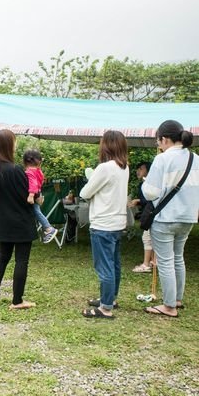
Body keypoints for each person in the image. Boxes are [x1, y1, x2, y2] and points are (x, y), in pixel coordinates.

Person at [142, 120, 198, 318]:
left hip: (166, 218)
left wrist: (144, 184)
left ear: (164, 139)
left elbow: (150, 192)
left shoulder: (163, 159)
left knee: (165, 261)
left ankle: (169, 306)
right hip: (188, 217)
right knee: (178, 258)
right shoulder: (195, 158)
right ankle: (177, 299)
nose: (158, 145)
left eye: (158, 141)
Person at [79, 130, 129, 319]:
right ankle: (110, 299)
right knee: (114, 264)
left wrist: (91, 177)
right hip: (117, 222)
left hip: (103, 224)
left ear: (105, 145)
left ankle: (105, 307)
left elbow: (85, 193)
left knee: (105, 266)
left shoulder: (105, 168)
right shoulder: (124, 167)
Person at [0, 130, 37, 309]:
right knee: (21, 260)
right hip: (20, 222)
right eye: (13, 142)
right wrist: (37, 196)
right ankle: (17, 301)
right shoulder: (14, 169)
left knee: (2, 257)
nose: (15, 145)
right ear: (8, 145)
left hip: (2, 223)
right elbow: (28, 196)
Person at [23, 150, 58, 243]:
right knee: (36, 212)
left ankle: (48, 228)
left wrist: (31, 195)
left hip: (34, 195)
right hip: (38, 193)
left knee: (36, 212)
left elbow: (33, 183)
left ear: (25, 161)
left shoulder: (29, 171)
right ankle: (46, 229)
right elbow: (40, 181)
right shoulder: (38, 171)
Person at [128, 161, 155, 273]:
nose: (138, 171)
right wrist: (137, 202)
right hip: (148, 214)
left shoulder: (151, 183)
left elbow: (152, 198)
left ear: (149, 171)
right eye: (138, 169)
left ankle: (146, 264)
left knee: (147, 238)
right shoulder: (142, 184)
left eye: (141, 169)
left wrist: (138, 200)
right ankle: (154, 261)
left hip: (152, 215)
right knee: (152, 239)